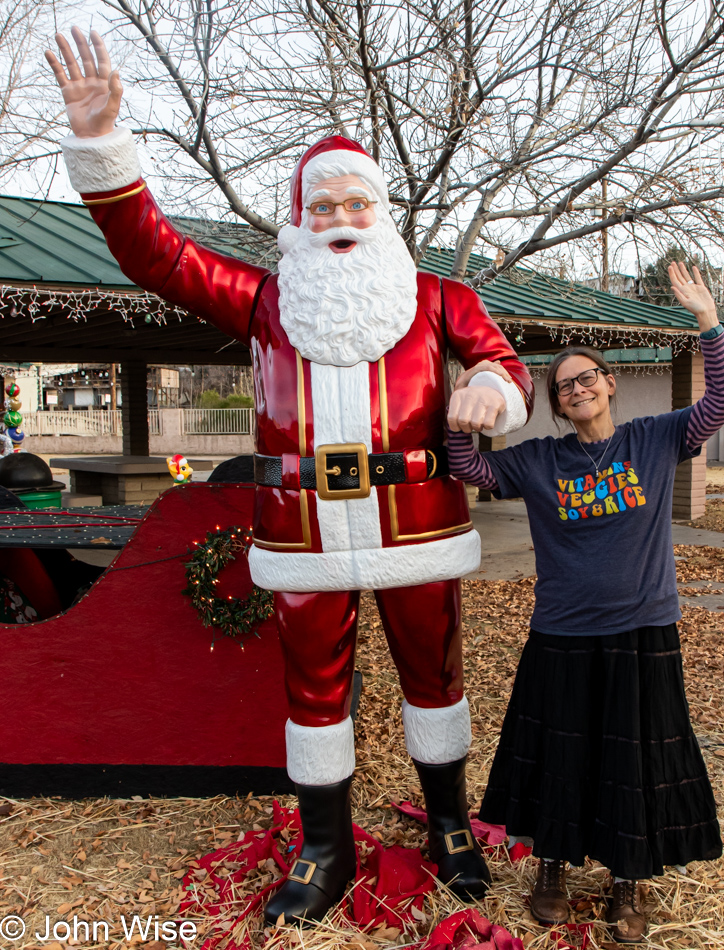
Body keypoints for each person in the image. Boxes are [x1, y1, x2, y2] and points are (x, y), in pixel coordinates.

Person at [46, 27, 534, 925]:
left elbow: (504, 365)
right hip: (302, 531)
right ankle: (324, 842)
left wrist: (492, 389)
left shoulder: (438, 300)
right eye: (325, 207)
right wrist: (102, 147)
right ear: (300, 220)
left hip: (416, 522)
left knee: (437, 675)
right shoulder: (266, 301)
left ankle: (451, 827)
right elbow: (155, 254)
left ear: (382, 215)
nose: (342, 219)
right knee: (310, 690)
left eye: (358, 204)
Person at [446, 261, 724, 943]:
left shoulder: (656, 439)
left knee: (632, 760)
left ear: (609, 384)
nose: (577, 389)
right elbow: (474, 469)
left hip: (643, 632)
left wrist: (708, 323)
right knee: (561, 755)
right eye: (563, 385)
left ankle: (627, 879)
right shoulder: (541, 460)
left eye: (587, 378)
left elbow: (722, 402)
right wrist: (460, 410)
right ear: (557, 403)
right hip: (562, 634)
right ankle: (550, 866)